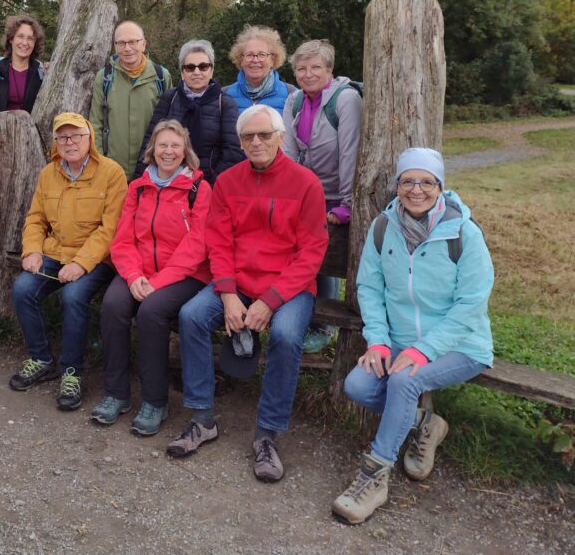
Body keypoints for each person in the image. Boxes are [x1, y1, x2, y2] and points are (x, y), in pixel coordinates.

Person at [332, 148, 493, 525]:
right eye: (407, 181)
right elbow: (368, 287)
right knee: (356, 386)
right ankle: (424, 424)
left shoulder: (463, 233)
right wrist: (378, 341)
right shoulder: (383, 227)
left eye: (426, 182)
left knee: (404, 380)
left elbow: (471, 303)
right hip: (399, 342)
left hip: (461, 345)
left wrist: (424, 351)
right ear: (397, 186)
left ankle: (374, 478)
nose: (415, 190)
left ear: (440, 186)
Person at [168, 104, 328, 483]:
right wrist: (226, 294)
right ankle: (202, 418)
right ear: (239, 142)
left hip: (289, 287)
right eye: (248, 137)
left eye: (264, 135)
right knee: (191, 316)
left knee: (287, 336)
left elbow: (311, 253)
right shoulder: (228, 182)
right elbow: (218, 242)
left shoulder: (306, 183)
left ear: (280, 137)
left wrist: (270, 301)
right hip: (236, 282)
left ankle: (267, 433)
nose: (256, 142)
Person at [91, 120, 212, 436]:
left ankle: (155, 400)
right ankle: (117, 393)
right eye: (162, 145)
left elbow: (196, 245)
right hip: (139, 270)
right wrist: (132, 276)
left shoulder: (198, 188)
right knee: (114, 305)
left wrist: (157, 282)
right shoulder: (138, 187)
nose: (168, 151)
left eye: (175, 145)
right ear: (152, 150)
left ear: (185, 150)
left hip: (185, 274)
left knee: (151, 311)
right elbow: (122, 239)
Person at [8, 112, 127, 411]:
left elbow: (111, 228)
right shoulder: (49, 172)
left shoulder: (111, 173)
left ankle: (72, 371)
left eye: (76, 136)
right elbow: (35, 218)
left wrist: (82, 264)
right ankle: (42, 358)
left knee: (73, 296)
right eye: (63, 137)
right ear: (56, 143)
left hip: (96, 258)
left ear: (90, 139)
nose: (69, 142)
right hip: (55, 252)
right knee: (23, 289)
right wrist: (32, 250)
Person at [282, 39, 362, 353]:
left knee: (327, 253)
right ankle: (301, 313)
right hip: (306, 190)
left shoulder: (346, 100)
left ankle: (323, 324)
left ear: (329, 70)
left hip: (335, 192)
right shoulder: (295, 100)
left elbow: (351, 152)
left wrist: (346, 204)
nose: (308, 73)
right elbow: (287, 151)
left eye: (316, 67)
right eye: (301, 68)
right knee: (301, 253)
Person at [133, 39, 243, 184]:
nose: (197, 72)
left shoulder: (225, 104)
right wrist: (140, 182)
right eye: (190, 67)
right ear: (182, 72)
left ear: (212, 70)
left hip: (206, 186)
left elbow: (232, 153)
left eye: (203, 66)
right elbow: (150, 143)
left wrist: (209, 187)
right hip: (167, 185)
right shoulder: (170, 98)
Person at [89, 20, 172, 180]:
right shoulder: (105, 77)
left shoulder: (161, 77)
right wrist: (100, 163)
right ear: (115, 46)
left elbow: (170, 124)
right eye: (121, 43)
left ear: (143, 44)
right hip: (113, 171)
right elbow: (96, 123)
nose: (127, 48)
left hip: (152, 171)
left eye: (133, 42)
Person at [0, 14, 47, 144]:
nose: (25, 43)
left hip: (30, 143)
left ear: (35, 43)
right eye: (20, 36)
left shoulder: (41, 72)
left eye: (30, 38)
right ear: (11, 39)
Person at [224, 25, 293, 112]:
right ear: (240, 60)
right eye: (249, 55)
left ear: (273, 60)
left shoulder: (292, 95)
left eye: (262, 55)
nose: (255, 60)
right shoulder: (224, 95)